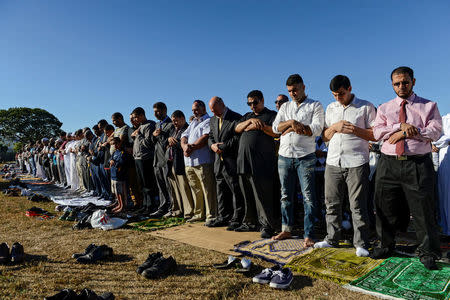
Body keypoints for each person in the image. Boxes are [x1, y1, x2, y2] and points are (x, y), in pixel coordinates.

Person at [372, 66, 442, 270]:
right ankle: (385, 245)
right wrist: (399, 127)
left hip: (418, 163)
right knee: (384, 206)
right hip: (388, 163)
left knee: (422, 209)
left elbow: (435, 131)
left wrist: (412, 131)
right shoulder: (384, 108)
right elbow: (377, 132)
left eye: (405, 82)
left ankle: (428, 251)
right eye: (397, 83)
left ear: (413, 81)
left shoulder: (429, 106)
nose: (401, 86)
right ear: (392, 85)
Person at [314, 75, 375, 257]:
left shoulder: (365, 107)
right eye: (334, 95)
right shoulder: (331, 108)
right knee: (331, 203)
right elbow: (324, 136)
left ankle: (361, 243)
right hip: (333, 161)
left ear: (349, 88)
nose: (338, 98)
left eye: (340, 93)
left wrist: (355, 130)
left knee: (357, 205)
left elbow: (375, 134)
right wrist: (334, 128)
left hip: (357, 161)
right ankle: (332, 239)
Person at [271, 74, 324, 244]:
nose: (292, 93)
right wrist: (291, 123)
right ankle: (286, 229)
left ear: (303, 87)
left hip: (305, 156)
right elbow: (275, 128)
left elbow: (316, 129)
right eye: (289, 91)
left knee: (308, 196)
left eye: (295, 90)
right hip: (285, 155)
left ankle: (308, 233)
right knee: (285, 195)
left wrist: (295, 128)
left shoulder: (315, 105)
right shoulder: (285, 107)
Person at [235, 90, 278, 238]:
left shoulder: (271, 115)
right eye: (249, 103)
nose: (252, 106)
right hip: (243, 162)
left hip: (261, 163)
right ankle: (250, 222)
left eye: (255, 102)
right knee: (247, 195)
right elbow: (237, 128)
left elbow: (276, 132)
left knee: (262, 197)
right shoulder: (247, 116)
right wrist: (249, 122)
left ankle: (267, 225)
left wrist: (261, 126)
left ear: (262, 100)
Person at [208, 96, 245, 230]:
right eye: (211, 111)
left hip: (232, 160)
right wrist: (212, 146)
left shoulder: (236, 117)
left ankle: (237, 218)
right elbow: (211, 136)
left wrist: (223, 147)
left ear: (222, 104)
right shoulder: (212, 120)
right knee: (221, 190)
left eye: (215, 110)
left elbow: (238, 137)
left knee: (235, 190)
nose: (214, 113)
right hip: (218, 161)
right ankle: (223, 217)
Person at [181, 100, 217, 225]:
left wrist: (191, 147)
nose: (194, 112)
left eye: (196, 109)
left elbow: (205, 137)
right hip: (189, 162)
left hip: (203, 161)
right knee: (196, 190)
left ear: (203, 108)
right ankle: (199, 213)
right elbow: (183, 136)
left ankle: (211, 215)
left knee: (207, 190)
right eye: (193, 110)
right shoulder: (193, 122)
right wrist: (185, 146)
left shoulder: (209, 121)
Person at [166, 110, 195, 218]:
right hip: (170, 162)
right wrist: (168, 139)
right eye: (173, 121)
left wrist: (176, 143)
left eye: (176, 121)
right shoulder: (172, 130)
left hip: (181, 162)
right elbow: (166, 142)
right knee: (174, 189)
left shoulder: (187, 129)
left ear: (182, 118)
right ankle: (177, 210)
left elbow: (187, 145)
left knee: (184, 188)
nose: (174, 123)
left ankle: (188, 211)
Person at [130, 107, 158, 215]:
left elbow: (148, 142)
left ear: (142, 115)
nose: (135, 120)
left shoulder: (149, 125)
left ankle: (151, 206)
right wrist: (135, 137)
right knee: (141, 184)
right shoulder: (140, 126)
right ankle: (145, 205)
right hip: (137, 158)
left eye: (136, 117)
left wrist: (138, 135)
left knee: (148, 184)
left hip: (145, 158)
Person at [150, 102, 174, 218]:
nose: (155, 114)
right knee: (160, 186)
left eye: (157, 111)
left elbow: (168, 143)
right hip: (157, 159)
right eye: (154, 112)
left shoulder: (171, 124)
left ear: (164, 110)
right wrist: (153, 136)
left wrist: (161, 134)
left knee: (168, 185)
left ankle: (172, 207)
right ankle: (162, 207)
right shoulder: (156, 124)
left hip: (166, 159)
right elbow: (153, 142)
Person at [109, 137, 129, 213]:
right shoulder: (115, 152)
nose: (115, 146)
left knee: (121, 192)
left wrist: (114, 163)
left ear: (119, 143)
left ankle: (123, 206)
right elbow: (110, 158)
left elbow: (122, 162)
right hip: (113, 175)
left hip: (120, 175)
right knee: (116, 192)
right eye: (113, 144)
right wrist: (111, 160)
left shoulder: (123, 152)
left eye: (116, 143)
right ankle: (119, 204)